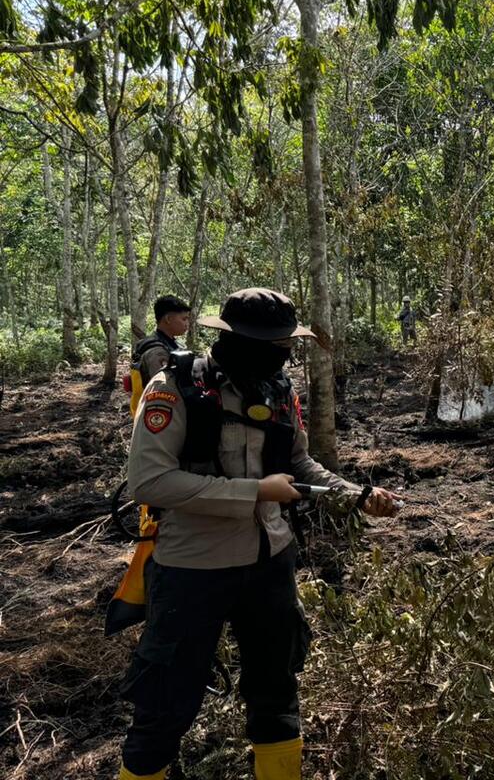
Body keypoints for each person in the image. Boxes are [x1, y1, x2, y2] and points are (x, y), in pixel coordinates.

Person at [115, 288, 398, 780]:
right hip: (192, 570)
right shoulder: (174, 388)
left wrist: (353, 493)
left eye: (285, 343)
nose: (281, 353)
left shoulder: (279, 389)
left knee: (276, 694)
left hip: (270, 563)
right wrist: (254, 491)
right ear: (233, 339)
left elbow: (298, 463)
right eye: (271, 344)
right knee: (165, 704)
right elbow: (149, 481)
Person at [127, 296, 192, 417]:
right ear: (168, 319)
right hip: (157, 414)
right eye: (184, 319)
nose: (187, 323)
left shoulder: (170, 343)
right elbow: (163, 389)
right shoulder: (157, 352)